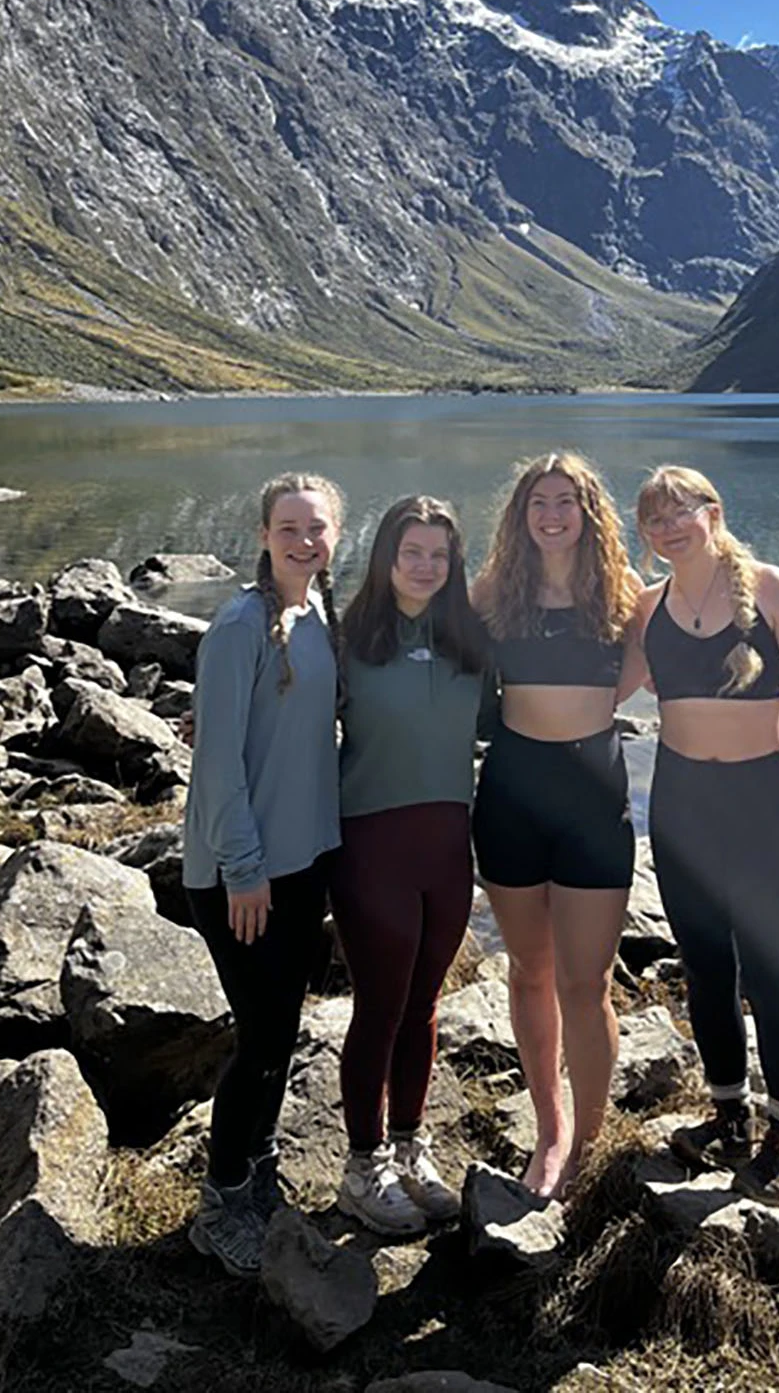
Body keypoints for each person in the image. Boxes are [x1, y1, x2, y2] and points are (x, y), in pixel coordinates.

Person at [630, 464, 779, 1206]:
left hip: (764, 801)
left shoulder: (771, 587)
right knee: (706, 972)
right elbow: (603, 686)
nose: (665, 527)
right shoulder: (648, 604)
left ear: (712, 512)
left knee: (772, 977)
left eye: (677, 511)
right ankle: (729, 1116)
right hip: (682, 803)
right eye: (652, 518)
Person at [182, 471, 345, 1276]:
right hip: (242, 875)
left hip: (303, 862)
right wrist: (244, 868)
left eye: (316, 527)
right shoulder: (239, 625)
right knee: (261, 1038)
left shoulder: (321, 613)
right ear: (263, 534)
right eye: (289, 526)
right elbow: (215, 764)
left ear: (334, 537)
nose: (303, 539)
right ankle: (219, 1204)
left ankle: (259, 1169)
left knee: (282, 1028)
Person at [471, 451, 644, 1197]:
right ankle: (550, 1130)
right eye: (539, 501)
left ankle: (591, 1141)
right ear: (521, 514)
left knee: (587, 980)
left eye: (566, 501)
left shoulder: (624, 592)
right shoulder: (494, 590)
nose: (551, 513)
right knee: (531, 971)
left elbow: (648, 668)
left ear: (589, 511)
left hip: (593, 801)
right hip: (512, 793)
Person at [330, 496, 490, 1236]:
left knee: (425, 1004)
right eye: (411, 551)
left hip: (448, 847)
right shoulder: (349, 635)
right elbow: (290, 718)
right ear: (386, 555)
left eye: (439, 553)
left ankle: (409, 1145)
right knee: (380, 1005)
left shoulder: (470, 639)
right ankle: (362, 1167)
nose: (425, 565)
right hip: (372, 843)